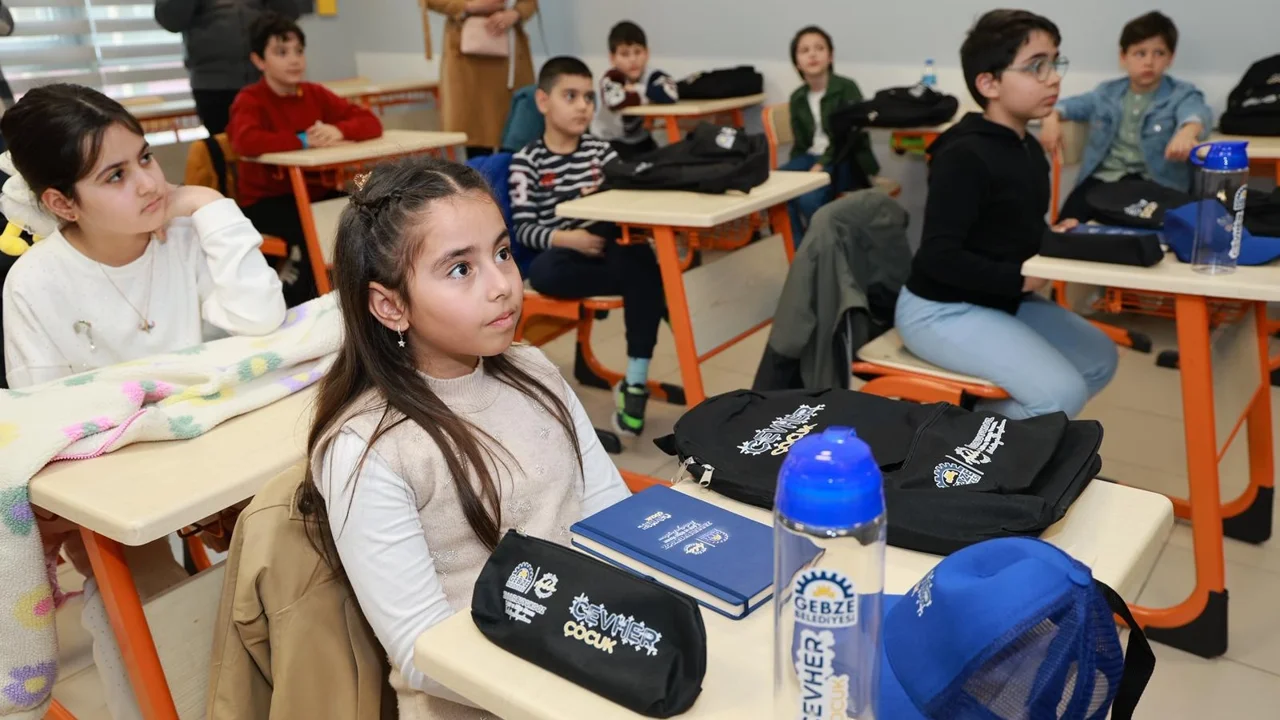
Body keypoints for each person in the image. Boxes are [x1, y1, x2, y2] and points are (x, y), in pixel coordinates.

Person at [300, 156, 630, 717]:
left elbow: (612, 517)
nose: (502, 285)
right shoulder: (369, 449)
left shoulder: (533, 370)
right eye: (460, 269)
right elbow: (422, 651)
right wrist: (577, 679)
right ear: (390, 305)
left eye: (502, 253)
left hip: (602, 651)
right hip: (492, 698)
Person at [0, 83, 285, 720]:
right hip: (112, 483)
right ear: (61, 203)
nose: (150, 183)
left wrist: (210, 204)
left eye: (147, 158)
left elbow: (261, 319)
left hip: (206, 451)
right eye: (116, 175)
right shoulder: (34, 282)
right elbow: (45, 419)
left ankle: (274, 681)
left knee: (292, 532)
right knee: (138, 592)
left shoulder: (183, 236)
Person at [894, 10, 1118, 420]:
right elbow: (939, 257)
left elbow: (1011, 228)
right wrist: (1018, 278)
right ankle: (970, 429)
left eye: (1055, 64)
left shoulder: (1027, 148)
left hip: (1000, 298)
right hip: (940, 309)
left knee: (1100, 359)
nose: (1053, 78)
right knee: (1060, 396)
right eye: (1036, 67)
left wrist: (1055, 237)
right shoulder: (963, 155)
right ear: (989, 84)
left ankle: (1017, 433)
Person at [509, 56, 666, 436]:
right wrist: (569, 238)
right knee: (549, 271)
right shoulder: (526, 161)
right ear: (543, 102)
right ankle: (647, 286)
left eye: (588, 97)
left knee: (640, 257)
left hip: (608, 244)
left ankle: (635, 380)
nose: (583, 106)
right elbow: (523, 229)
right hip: (564, 253)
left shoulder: (601, 151)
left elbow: (626, 200)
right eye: (571, 96)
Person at [227, 12, 383, 307]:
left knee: (363, 212)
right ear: (259, 61)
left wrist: (339, 130)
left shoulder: (314, 93)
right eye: (281, 52)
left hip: (314, 194)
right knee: (313, 231)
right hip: (266, 202)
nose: (294, 60)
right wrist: (301, 139)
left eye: (299, 51)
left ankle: (355, 295)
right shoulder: (250, 99)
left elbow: (370, 122)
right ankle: (308, 303)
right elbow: (245, 141)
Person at [1041, 11, 1212, 221]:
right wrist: (1050, 119)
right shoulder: (1106, 93)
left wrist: (1188, 132)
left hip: (1155, 183)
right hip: (1105, 179)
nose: (1149, 62)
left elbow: (1197, 112)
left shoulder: (1180, 93)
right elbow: (1068, 106)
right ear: (1123, 57)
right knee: (1066, 224)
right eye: (1140, 53)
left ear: (1171, 58)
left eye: (1159, 53)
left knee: (1163, 226)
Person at [781, 25, 879, 243]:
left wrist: (822, 163)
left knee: (808, 199)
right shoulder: (797, 97)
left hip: (844, 158)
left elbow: (849, 137)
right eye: (804, 50)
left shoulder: (846, 87)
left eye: (819, 48)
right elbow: (800, 144)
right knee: (777, 189)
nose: (812, 54)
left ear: (830, 56)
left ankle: (827, 251)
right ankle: (800, 251)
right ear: (797, 62)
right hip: (811, 157)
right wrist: (794, 173)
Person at [154, 0, 301, 134]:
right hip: (213, 85)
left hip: (267, 79)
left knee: (279, 141)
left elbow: (291, 13)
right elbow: (169, 19)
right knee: (226, 147)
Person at [426, 0, 538, 157]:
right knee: (475, 129)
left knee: (515, 128)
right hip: (465, 58)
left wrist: (515, 13)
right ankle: (479, 171)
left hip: (510, 56)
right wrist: (469, 6)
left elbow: (529, 3)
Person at [590, 20, 678, 160]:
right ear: (612, 58)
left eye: (638, 52)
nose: (633, 59)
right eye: (625, 54)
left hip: (640, 140)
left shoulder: (652, 75)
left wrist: (636, 89)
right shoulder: (611, 77)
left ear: (647, 53)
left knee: (664, 161)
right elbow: (614, 100)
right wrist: (649, 94)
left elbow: (670, 94)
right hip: (607, 140)